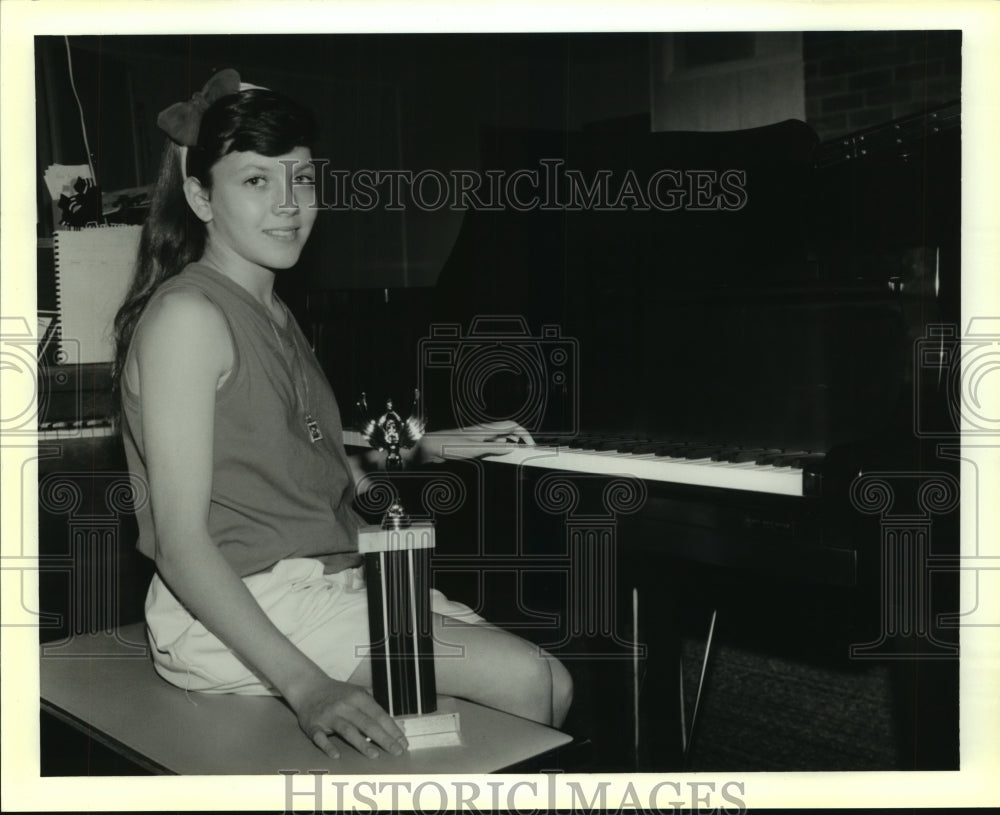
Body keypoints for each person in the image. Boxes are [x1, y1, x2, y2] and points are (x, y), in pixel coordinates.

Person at [112, 70, 572, 760]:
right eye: (256, 181)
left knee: (548, 690)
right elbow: (180, 544)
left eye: (301, 178)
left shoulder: (273, 310)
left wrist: (429, 444)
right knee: (526, 679)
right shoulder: (188, 317)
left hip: (319, 582)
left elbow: (317, 459)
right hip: (234, 606)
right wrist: (309, 687)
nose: (289, 204)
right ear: (202, 197)